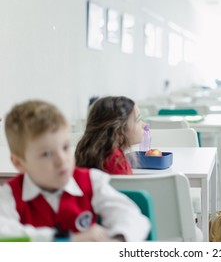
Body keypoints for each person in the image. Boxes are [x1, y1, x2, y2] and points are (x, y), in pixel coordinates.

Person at [0, 100, 150, 242]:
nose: (62, 160)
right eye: (46, 154)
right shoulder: (9, 195)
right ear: (19, 163)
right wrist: (68, 240)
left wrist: (117, 240)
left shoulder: (91, 181)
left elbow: (133, 218)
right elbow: (5, 235)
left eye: (65, 148)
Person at [75, 96, 145, 175]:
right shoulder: (115, 160)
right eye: (138, 120)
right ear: (118, 130)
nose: (144, 125)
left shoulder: (94, 152)